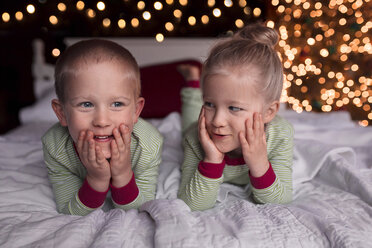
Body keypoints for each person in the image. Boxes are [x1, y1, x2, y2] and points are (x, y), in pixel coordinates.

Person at [177, 23, 294, 211]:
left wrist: (259, 163)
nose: (216, 121)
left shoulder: (279, 135)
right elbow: (191, 203)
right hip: (196, 136)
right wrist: (212, 160)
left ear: (269, 112)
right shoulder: (196, 138)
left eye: (234, 108)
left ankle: (195, 85)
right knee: (188, 124)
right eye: (209, 104)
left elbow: (281, 200)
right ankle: (193, 85)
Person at [42, 39, 163, 216]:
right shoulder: (55, 146)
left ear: (136, 111)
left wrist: (122, 175)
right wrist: (96, 180)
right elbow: (69, 211)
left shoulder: (148, 145)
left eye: (116, 103)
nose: (101, 121)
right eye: (86, 104)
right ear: (61, 113)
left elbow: (140, 210)